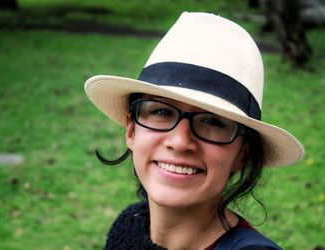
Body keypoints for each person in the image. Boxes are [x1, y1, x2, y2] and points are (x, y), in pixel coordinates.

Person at [84, 12, 304, 250]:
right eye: (161, 112)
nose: (179, 141)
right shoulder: (130, 228)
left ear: (244, 154)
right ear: (131, 130)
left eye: (211, 121)